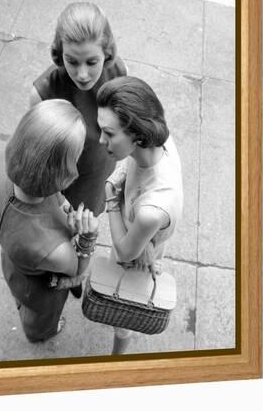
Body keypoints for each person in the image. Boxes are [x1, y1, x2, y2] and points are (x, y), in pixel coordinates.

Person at [0, 99, 99, 343]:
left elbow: (46, 188)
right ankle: (42, 333)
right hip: (38, 289)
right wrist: (88, 237)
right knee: (39, 318)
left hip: (13, 260)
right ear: (63, 172)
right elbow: (77, 269)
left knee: (20, 295)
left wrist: (62, 204)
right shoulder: (54, 250)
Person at [96, 76, 183, 354]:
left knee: (124, 312)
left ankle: (116, 361)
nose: (100, 140)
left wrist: (111, 198)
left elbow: (123, 252)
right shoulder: (161, 140)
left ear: (138, 136)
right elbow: (130, 165)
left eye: (109, 134)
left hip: (137, 253)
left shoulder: (151, 209)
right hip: (143, 239)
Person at [30, 2, 127, 216]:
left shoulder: (119, 72)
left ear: (107, 54)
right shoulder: (44, 93)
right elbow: (38, 163)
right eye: (72, 61)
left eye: (92, 62)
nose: (82, 74)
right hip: (61, 199)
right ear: (59, 53)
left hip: (100, 182)